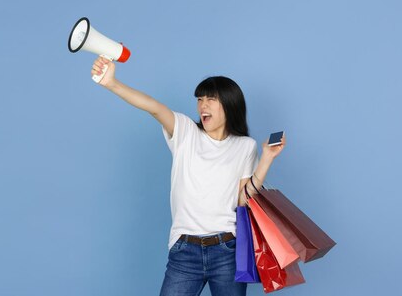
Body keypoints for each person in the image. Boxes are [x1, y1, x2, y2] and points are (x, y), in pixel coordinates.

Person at [90, 57, 286, 296]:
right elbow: (153, 106)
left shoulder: (245, 146)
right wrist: (112, 83)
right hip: (184, 250)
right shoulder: (185, 131)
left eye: (210, 99)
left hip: (227, 249)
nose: (203, 105)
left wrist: (265, 159)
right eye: (200, 99)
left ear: (229, 104)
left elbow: (243, 201)